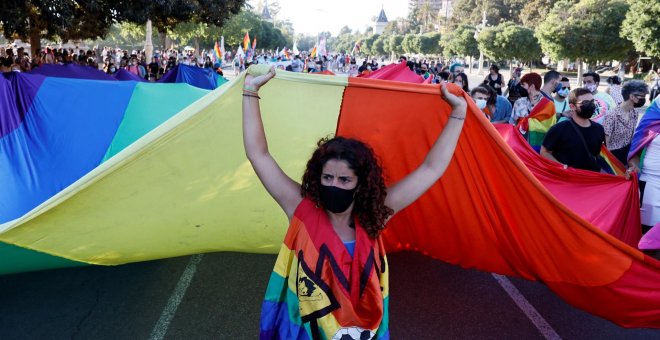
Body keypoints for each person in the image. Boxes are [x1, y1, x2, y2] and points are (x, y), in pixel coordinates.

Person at [244, 66, 466, 339]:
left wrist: (458, 113)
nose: (334, 185)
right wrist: (250, 93)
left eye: (344, 180)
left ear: (361, 183)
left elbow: (431, 169)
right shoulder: (300, 209)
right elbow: (259, 155)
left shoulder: (374, 215)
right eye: (327, 177)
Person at [541, 88, 605, 172]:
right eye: (585, 103)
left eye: (592, 102)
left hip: (590, 180)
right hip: (566, 180)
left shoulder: (599, 129)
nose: (591, 105)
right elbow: (544, 152)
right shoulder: (559, 129)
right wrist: (562, 168)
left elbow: (598, 155)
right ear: (572, 106)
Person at [628, 97, 660, 233]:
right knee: (649, 239)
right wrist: (634, 166)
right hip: (651, 186)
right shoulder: (652, 118)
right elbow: (634, 153)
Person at [602, 80, 649, 165]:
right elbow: (605, 144)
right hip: (613, 156)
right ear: (632, 96)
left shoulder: (634, 113)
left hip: (627, 154)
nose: (644, 99)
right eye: (642, 96)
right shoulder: (612, 116)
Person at [510, 73, 557, 151]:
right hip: (519, 144)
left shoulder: (549, 105)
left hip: (539, 147)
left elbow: (551, 127)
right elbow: (512, 123)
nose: (520, 87)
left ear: (532, 86)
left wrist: (528, 123)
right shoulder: (519, 102)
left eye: (523, 85)